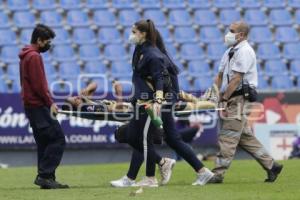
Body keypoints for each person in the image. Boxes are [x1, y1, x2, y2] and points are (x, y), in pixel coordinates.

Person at [123, 19, 214, 187]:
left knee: (142, 137)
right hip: (155, 99)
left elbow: (161, 81)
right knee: (172, 138)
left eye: (134, 31)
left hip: (159, 100)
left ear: (143, 34)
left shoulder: (154, 55)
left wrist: (158, 100)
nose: (131, 35)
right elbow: (143, 80)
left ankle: (151, 174)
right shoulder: (141, 51)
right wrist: (135, 98)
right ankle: (202, 171)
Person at [208, 21, 283, 184]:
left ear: (241, 35)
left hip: (240, 98)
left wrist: (225, 97)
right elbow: (220, 75)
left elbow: (236, 79)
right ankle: (272, 166)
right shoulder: (229, 51)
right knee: (244, 137)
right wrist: (214, 94)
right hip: (234, 97)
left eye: (231, 31)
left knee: (228, 136)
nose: (228, 34)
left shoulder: (245, 52)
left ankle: (218, 173)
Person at [19, 24, 69, 189]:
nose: (48, 45)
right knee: (57, 139)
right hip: (39, 106)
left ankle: (47, 178)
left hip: (31, 106)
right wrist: (50, 103)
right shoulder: (34, 56)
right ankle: (45, 175)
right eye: (47, 41)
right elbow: (39, 85)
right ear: (39, 40)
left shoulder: (27, 55)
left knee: (44, 142)